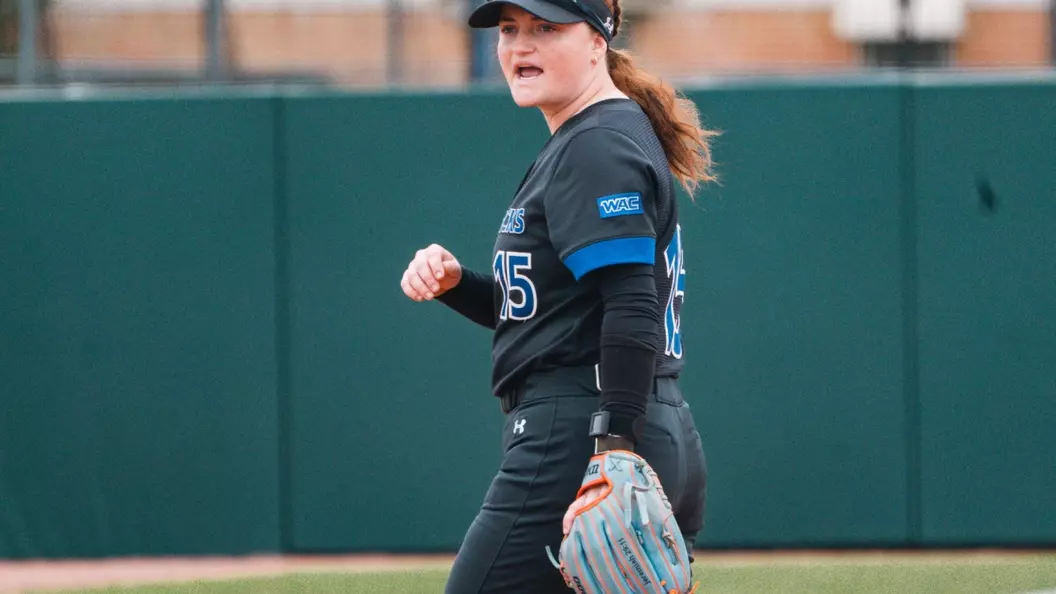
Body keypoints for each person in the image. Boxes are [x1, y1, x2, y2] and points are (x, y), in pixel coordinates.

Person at [399, 0, 715, 591]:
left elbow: (632, 303)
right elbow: (558, 314)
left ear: (598, 41)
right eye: (510, 29)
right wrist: (458, 284)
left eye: (546, 28)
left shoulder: (597, 144)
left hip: (583, 429)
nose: (521, 45)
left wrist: (613, 448)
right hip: (642, 417)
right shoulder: (596, 135)